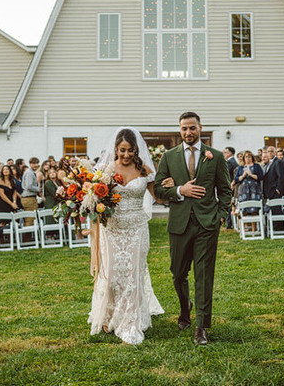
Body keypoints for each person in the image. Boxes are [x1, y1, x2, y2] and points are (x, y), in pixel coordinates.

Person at [155, 112, 232, 346]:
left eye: (192, 128)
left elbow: (225, 190)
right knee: (178, 273)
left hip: (207, 224)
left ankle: (201, 327)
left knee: (204, 276)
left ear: (200, 128)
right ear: (179, 131)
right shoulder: (168, 157)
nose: (188, 133)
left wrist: (221, 215)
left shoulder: (216, 156)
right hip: (179, 224)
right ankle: (185, 307)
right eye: (183, 129)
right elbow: (158, 190)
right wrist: (180, 191)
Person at [89, 127, 167, 345]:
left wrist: (171, 188)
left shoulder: (145, 170)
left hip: (137, 228)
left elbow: (158, 197)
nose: (126, 155)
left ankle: (130, 322)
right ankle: (110, 315)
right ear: (116, 149)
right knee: (112, 275)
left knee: (133, 275)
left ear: (136, 150)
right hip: (112, 229)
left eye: (130, 150)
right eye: (122, 150)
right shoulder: (105, 169)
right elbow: (93, 197)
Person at [234, 151, 264, 216]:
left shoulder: (257, 166)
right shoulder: (241, 167)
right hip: (243, 191)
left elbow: (261, 176)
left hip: (254, 190)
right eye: (246, 157)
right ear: (244, 158)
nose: (248, 158)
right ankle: (244, 225)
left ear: (252, 158)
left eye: (249, 157)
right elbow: (236, 179)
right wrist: (243, 176)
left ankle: (254, 226)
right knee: (244, 208)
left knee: (254, 209)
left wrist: (251, 175)